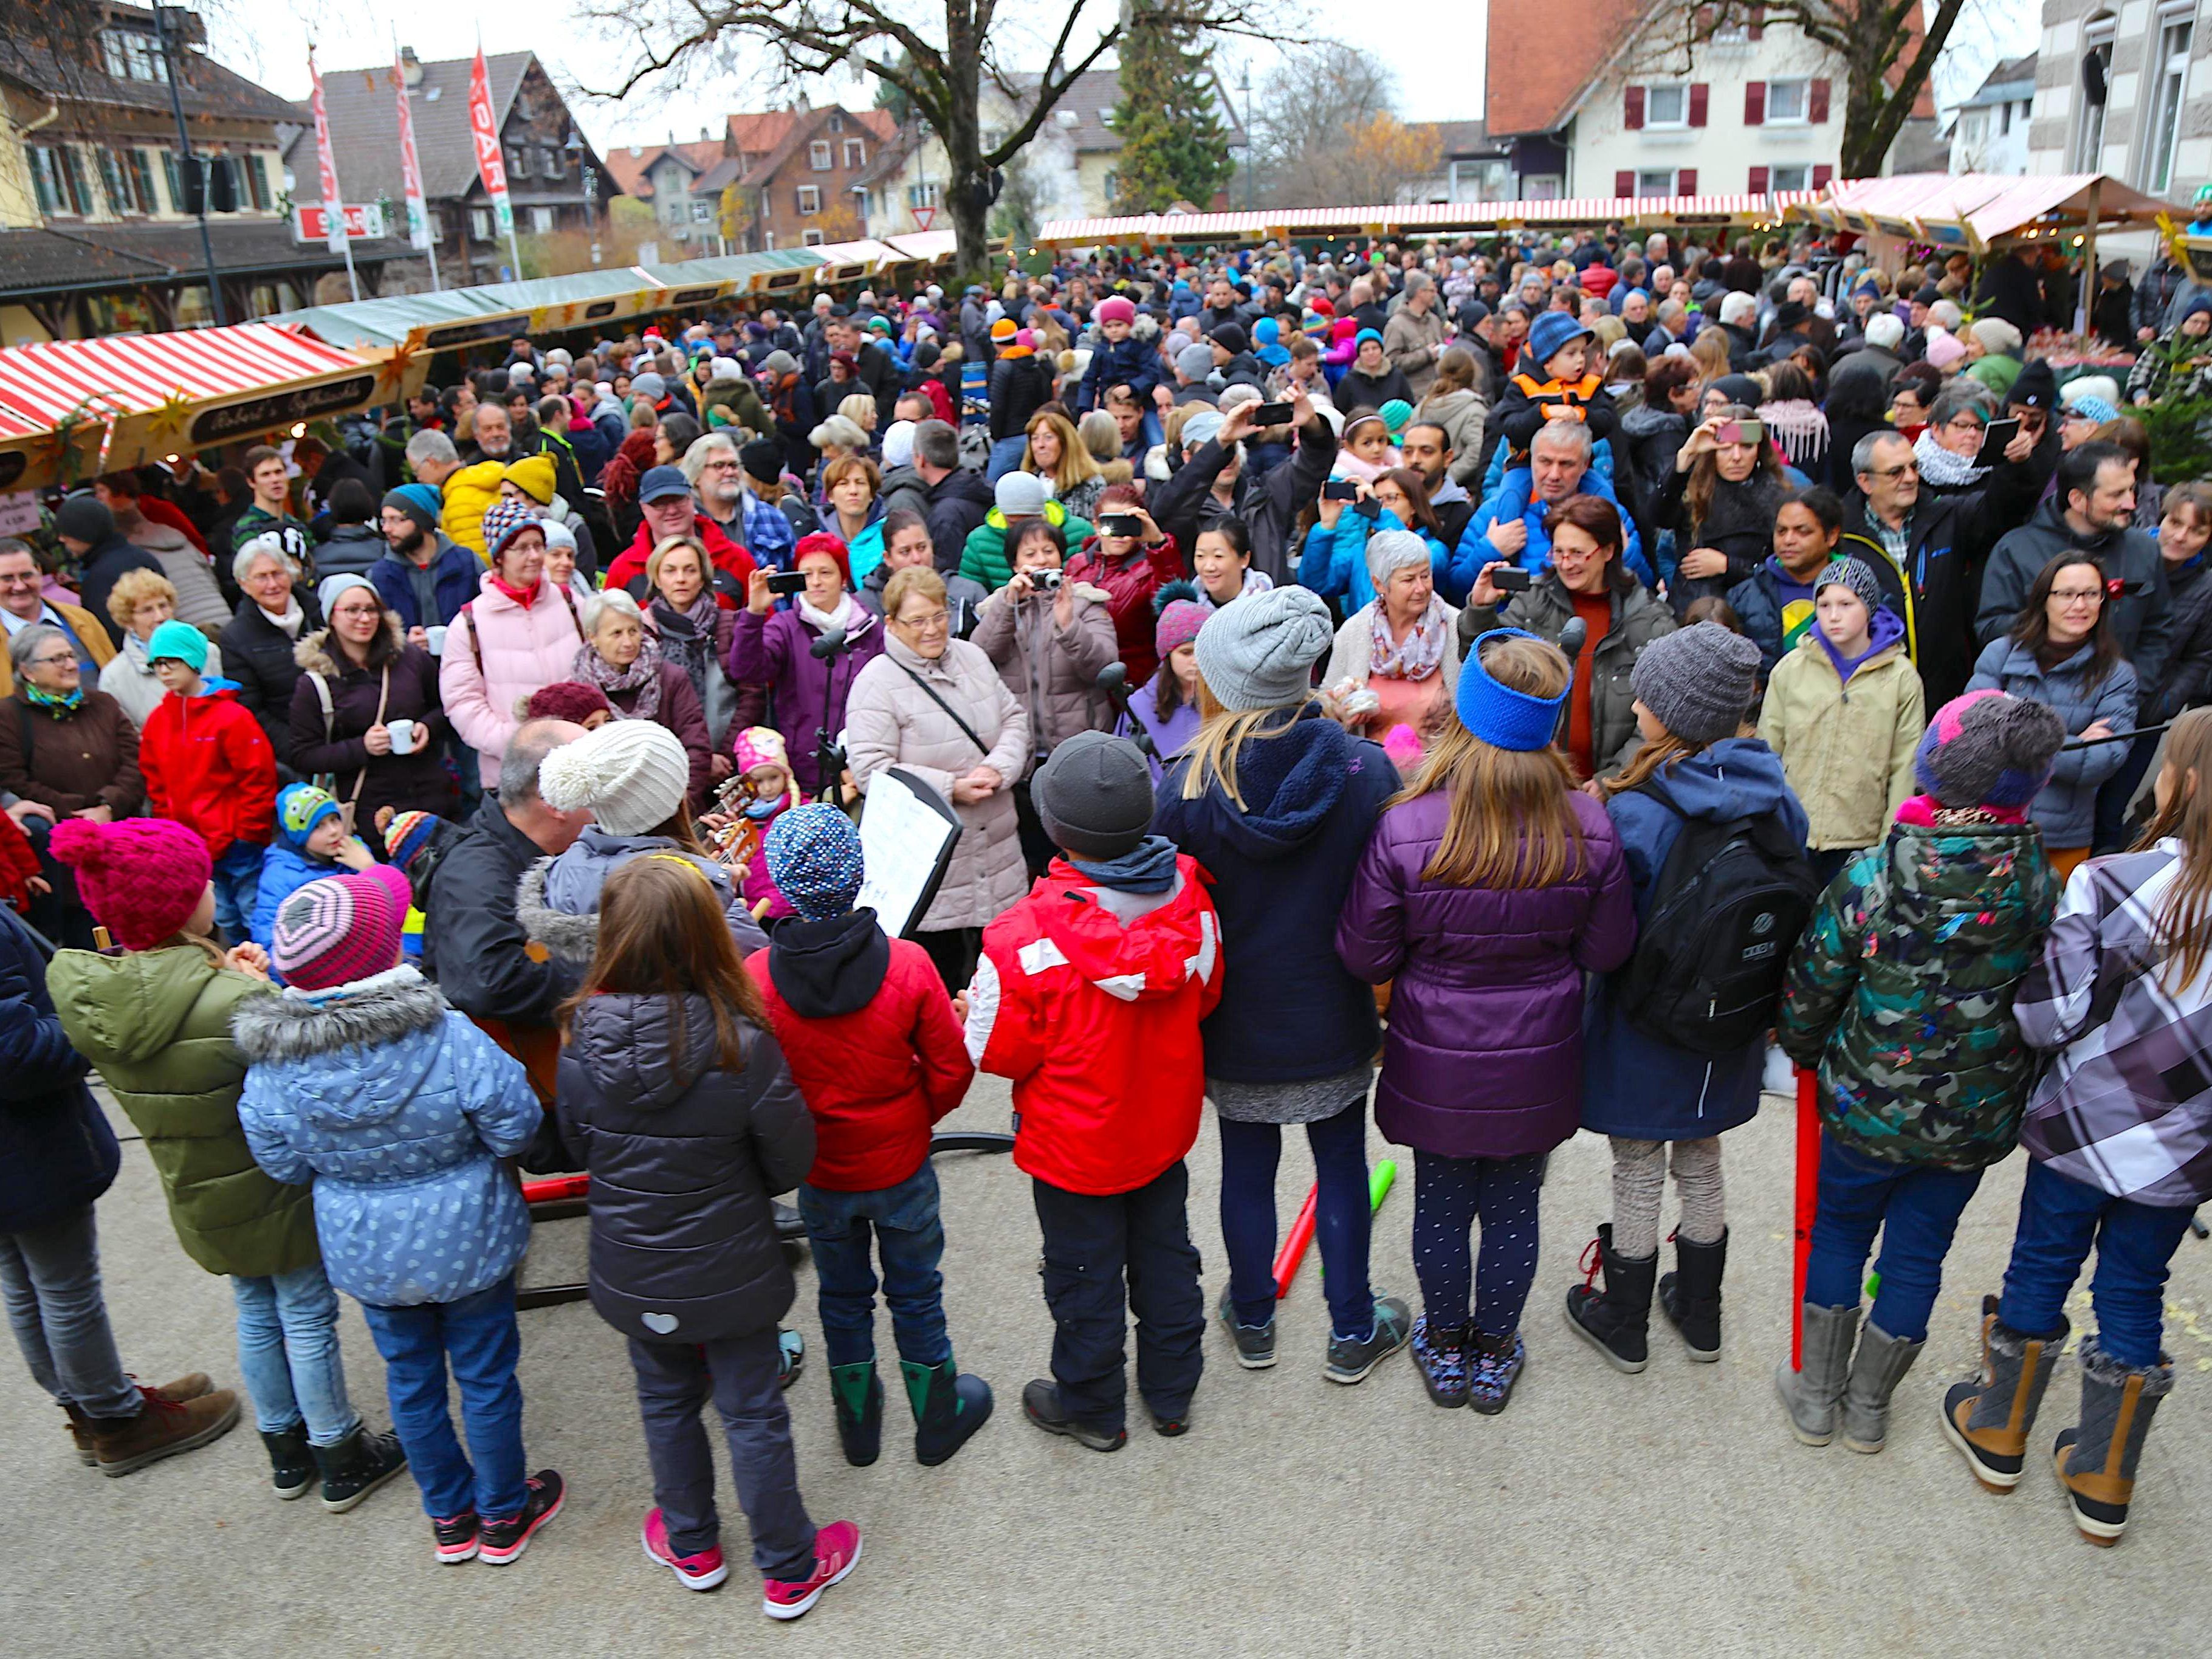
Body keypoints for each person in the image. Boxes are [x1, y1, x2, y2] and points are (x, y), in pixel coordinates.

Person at [47, 816, 404, 1508]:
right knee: (304, 1310)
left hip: (198, 1193)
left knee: (253, 1308)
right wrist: (260, 990)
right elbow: (295, 1063)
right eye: (200, 879)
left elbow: (182, 1020)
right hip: (271, 1184)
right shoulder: (235, 1000)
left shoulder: (100, 999)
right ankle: (340, 1450)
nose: (213, 884)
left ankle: (286, 1453)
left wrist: (229, 979)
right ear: (181, 903)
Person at [555, 857, 860, 1615]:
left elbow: (576, 1147)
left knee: (663, 1402)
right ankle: (788, 1565)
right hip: (734, 1269)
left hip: (633, 1270)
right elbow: (790, 1160)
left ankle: (691, 1543)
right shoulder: (743, 1042)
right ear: (708, 939)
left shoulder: (576, 1044)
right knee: (752, 1411)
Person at [1339, 630, 1635, 1410]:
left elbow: (1366, 955)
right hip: (1538, 1054)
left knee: (1439, 1206)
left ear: (1465, 715)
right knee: (1513, 1208)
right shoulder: (1588, 825)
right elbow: (1607, 950)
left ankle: (1443, 1345)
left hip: (1433, 1052)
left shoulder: (1406, 825)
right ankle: (1495, 1351)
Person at [1941, 707, 2212, 1545]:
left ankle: (1999, 1427)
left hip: (2082, 1132)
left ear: (2185, 783)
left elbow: (2050, 1014)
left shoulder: (2111, 880)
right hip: (2184, 1154)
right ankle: (2102, 1475)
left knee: (2043, 1261)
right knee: (2134, 1289)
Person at [235, 864, 556, 1564]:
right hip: (471, 1237)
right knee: (486, 1376)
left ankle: (449, 1515)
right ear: (384, 958)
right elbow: (514, 1124)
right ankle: (504, 1512)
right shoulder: (448, 1035)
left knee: (409, 1379)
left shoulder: (274, 1067)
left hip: (367, 1252)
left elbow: (282, 1163)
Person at [1774, 690, 2063, 1455]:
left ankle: (1817, 1398)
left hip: (1865, 1104)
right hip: (1971, 1119)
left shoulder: (1876, 873)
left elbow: (1816, 976)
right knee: (1918, 1253)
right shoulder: (2038, 884)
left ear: (1932, 769)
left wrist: (1804, 1047)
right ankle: (1869, 1407)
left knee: (1839, 1232)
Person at [1147, 588, 1409, 1381]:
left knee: (1247, 1169)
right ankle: (1352, 1328)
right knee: (1341, 1166)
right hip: (1334, 1009)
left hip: (1233, 1021)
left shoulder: (1189, 782)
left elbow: (1166, 903)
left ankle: (1254, 1317)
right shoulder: (1364, 769)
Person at [965, 732, 1223, 1448]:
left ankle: (1091, 1405)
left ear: (1052, 827)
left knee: (1084, 1279)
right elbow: (1203, 995)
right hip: (1161, 1129)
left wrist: (972, 1013)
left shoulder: (1019, 938)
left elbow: (996, 1053)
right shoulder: (1193, 900)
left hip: (1072, 1150)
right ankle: (1171, 1395)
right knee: (1168, 1259)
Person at [1566, 623, 1808, 1371]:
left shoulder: (1637, 810)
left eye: (1648, 692)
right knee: (1699, 1158)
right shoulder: (1777, 802)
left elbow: (1602, 935)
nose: (1634, 700)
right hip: (1728, 1020)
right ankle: (1700, 1313)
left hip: (1645, 1022)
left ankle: (1625, 1318)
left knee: (1637, 1165)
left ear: (1673, 714)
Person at [745, 805, 990, 1468]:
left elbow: (759, 1085)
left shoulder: (758, 978)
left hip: (821, 1172)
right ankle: (936, 1416)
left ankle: (857, 1425)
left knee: (842, 1296)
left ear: (782, 885)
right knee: (917, 1292)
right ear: (859, 876)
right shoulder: (909, 965)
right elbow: (950, 1068)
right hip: (901, 1165)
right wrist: (915, 1120)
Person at [0, 895, 239, 1475]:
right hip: (23, 1148)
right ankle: (117, 1420)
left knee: (27, 1281)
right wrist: (92, 1018)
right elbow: (17, 1053)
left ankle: (88, 1402)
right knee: (63, 1287)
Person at [845, 567, 1031, 992]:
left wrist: (999, 768)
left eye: (939, 616)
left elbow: (1015, 720)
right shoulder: (876, 683)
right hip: (935, 868)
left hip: (998, 854)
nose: (932, 630)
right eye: (918, 621)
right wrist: (952, 788)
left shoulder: (973, 658)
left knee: (1003, 985)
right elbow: (872, 769)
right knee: (940, 986)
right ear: (891, 624)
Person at [421, 720, 591, 1106]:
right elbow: (489, 979)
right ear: (553, 802)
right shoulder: (475, 872)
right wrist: (606, 971)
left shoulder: (561, 849)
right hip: (525, 1096)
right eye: (596, 782)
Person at [1460, 496, 1675, 781]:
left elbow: (1661, 716)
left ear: (1609, 551)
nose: (1565, 564)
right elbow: (1485, 670)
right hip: (1535, 779)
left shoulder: (1650, 620)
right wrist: (1481, 609)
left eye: (1577, 553)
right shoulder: (1533, 601)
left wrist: (1613, 780)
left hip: (1615, 787)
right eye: (1558, 552)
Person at [1965, 554, 2138, 881]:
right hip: (1987, 824)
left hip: (2062, 837)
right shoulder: (2000, 655)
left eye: (2091, 594)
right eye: (2067, 594)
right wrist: (2074, 743)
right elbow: (1971, 736)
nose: (2080, 604)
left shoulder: (2118, 675)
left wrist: (2013, 736)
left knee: (2055, 930)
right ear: (2044, 599)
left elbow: (2106, 758)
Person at [1839, 427, 2038, 710]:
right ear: (1865, 482)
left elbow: (2001, 510)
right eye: (1896, 472)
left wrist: (2016, 467)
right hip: (1867, 692)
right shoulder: (1840, 532)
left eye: (1913, 467)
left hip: (1944, 689)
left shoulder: (1946, 516)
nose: (1910, 478)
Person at [1756, 560, 1926, 885]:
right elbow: (1768, 751)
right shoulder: (1791, 669)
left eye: (1846, 604)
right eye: (1824, 605)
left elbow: (1904, 768)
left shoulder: (1901, 678)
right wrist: (1768, 827)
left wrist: (1889, 845)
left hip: (1860, 840)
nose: (1833, 616)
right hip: (1793, 834)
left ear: (1869, 607)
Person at [975, 519, 1119, 876]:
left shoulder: (1088, 605)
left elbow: (1105, 669)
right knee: (1031, 859)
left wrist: (1069, 625)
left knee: (1081, 860)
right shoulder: (1000, 608)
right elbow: (977, 660)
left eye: (1048, 551)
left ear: (1062, 557)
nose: (1041, 560)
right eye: (1030, 553)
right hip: (1021, 759)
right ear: (1014, 564)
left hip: (1075, 755)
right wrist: (1009, 606)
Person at [0, 623, 142, 949]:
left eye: (70, 656)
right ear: (27, 671)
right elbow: (13, 779)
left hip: (121, 840)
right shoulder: (9, 716)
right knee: (91, 943)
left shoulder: (103, 704)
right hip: (65, 855)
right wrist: (75, 814)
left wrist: (108, 805)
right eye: (57, 659)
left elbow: (136, 762)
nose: (70, 664)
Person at [136, 619, 275, 939]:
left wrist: (248, 832)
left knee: (255, 911)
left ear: (194, 662)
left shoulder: (231, 717)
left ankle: (270, 978)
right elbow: (155, 782)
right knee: (223, 915)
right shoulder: (159, 721)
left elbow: (256, 775)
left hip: (237, 841)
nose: (164, 671)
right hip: (191, 844)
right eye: (158, 664)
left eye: (172, 662)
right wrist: (170, 832)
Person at [439, 503, 587, 792]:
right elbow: (462, 702)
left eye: (538, 546)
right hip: (514, 774)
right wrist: (517, 743)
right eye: (521, 548)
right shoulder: (470, 623)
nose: (534, 556)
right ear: (499, 558)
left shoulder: (570, 603)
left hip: (580, 759)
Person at [731, 532, 886, 800]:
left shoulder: (870, 627)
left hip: (862, 765)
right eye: (807, 573)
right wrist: (753, 615)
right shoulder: (785, 626)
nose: (816, 582)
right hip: (803, 771)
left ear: (844, 577)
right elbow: (746, 670)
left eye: (825, 572)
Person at [290, 574, 450, 825]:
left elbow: (445, 707)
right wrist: (362, 747)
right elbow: (304, 755)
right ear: (331, 616)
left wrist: (427, 727)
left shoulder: (410, 658)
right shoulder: (315, 683)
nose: (364, 619)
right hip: (371, 810)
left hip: (431, 798)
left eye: (371, 609)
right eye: (352, 610)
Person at [1319, 530, 1463, 756]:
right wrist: (1344, 711)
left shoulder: (1455, 627)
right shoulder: (1354, 632)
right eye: (1408, 579)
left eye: (1425, 576)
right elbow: (1326, 709)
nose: (1421, 588)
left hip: (1442, 772)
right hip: (1373, 775)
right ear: (1379, 584)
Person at [572, 590, 712, 811]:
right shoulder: (579, 688)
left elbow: (696, 746)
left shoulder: (670, 678)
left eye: (633, 631)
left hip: (675, 802)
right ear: (593, 638)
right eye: (616, 633)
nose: (628, 642)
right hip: (611, 811)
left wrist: (679, 802)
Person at [1657, 408, 1787, 613]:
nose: (1736, 457)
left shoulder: (1777, 495)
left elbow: (1783, 568)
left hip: (1754, 608)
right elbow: (1659, 516)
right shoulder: (1691, 487)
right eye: (1725, 448)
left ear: (1759, 450)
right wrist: (1686, 454)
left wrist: (1728, 566)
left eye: (1746, 447)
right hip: (1695, 607)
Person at [221, 535, 323, 773]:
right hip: (291, 752)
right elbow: (251, 710)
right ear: (244, 584)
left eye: (278, 573)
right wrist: (302, 750)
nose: (272, 584)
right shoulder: (236, 637)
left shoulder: (319, 612)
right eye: (261, 577)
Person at [247, 782, 375, 967]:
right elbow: (269, 939)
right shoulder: (280, 877)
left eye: (334, 820)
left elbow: (393, 904)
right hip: (317, 974)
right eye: (318, 826)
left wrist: (370, 868)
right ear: (299, 835)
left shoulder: (356, 851)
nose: (333, 831)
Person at [1724, 488, 1844, 678]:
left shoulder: (1859, 592)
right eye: (1781, 531)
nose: (1788, 540)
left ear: (1831, 536)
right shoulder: (1743, 596)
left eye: (1802, 532)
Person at [639, 535, 741, 752]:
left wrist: (726, 753)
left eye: (690, 570)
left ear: (703, 578)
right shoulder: (642, 630)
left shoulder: (727, 624)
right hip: (663, 754)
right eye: (670, 571)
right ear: (657, 579)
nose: (681, 579)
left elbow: (750, 695)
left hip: (725, 753)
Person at [0, 538, 115, 698]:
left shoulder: (83, 619)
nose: (19, 586)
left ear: (39, 571)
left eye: (26, 575)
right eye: (7, 579)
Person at [52, 496, 161, 651]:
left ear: (83, 533)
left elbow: (106, 636)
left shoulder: (98, 579)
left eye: (66, 533)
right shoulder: (143, 556)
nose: (61, 539)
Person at [1119, 595, 1206, 783]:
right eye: (1186, 652)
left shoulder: (1226, 701)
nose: (1196, 661)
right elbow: (1127, 770)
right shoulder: (1138, 706)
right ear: (1167, 655)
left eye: (1202, 651)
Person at [1022, 408, 1108, 523]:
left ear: (1066, 443)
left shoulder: (1091, 484)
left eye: (1048, 437)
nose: (1040, 445)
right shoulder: (1025, 485)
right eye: (1035, 439)